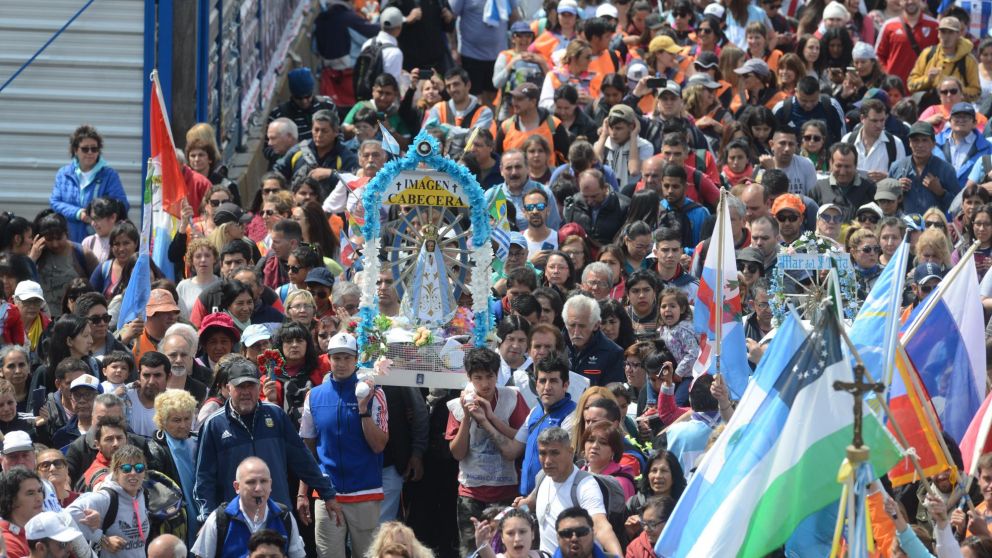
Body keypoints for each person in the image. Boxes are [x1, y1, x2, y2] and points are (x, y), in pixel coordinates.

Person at [194, 356, 339, 521]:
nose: (246, 392)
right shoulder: (214, 425)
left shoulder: (276, 415)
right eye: (240, 386)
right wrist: (208, 518)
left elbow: (303, 460)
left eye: (251, 385)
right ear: (228, 387)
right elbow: (204, 478)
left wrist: (327, 494)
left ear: (260, 386)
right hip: (235, 520)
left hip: (277, 514)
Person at [297, 332, 387, 558]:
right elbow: (307, 450)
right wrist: (302, 493)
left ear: (356, 359)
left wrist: (363, 409)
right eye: (337, 358)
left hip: (365, 492)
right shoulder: (314, 396)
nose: (342, 363)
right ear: (328, 359)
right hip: (328, 494)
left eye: (347, 358)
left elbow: (379, 445)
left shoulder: (375, 393)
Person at [445, 347, 530, 557]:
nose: (485, 384)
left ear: (497, 374)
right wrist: (466, 417)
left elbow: (522, 437)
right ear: (469, 378)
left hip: (506, 489)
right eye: (478, 378)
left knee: (505, 549)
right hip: (471, 492)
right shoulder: (457, 405)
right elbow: (457, 453)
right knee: (471, 551)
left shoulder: (512, 398)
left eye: (490, 376)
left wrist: (490, 418)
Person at [516, 428, 622, 556]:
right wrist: (518, 507)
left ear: (570, 453)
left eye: (555, 453)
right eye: (542, 453)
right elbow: (531, 502)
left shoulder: (586, 485)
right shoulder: (542, 476)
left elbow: (600, 526)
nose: (547, 461)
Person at [191, 457, 306, 558]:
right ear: (237, 487)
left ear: (270, 485)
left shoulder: (284, 516)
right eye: (251, 482)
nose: (258, 488)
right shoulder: (219, 519)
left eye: (263, 481)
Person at [67, 444, 149, 558]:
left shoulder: (142, 495)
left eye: (139, 468)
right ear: (115, 472)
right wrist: (101, 539)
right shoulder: (106, 497)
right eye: (126, 468)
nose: (134, 472)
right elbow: (68, 514)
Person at [50, 126, 128, 244]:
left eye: (94, 149)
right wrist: (78, 213)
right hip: (68, 242)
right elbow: (55, 202)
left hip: (100, 243)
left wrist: (98, 215)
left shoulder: (109, 175)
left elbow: (122, 205)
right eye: (85, 149)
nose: (90, 153)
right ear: (75, 150)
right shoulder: (63, 174)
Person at [147, 389, 199, 541]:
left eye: (187, 418)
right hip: (173, 522)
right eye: (176, 420)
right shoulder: (153, 450)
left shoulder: (198, 442)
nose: (183, 425)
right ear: (162, 421)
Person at [889, 122, 959, 214]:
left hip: (933, 226)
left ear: (933, 144)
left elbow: (958, 206)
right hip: (903, 225)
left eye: (925, 140)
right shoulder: (897, 167)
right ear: (909, 143)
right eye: (915, 140)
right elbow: (884, 201)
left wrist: (941, 192)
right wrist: (896, 191)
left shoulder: (946, 170)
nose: (920, 145)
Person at [908, 16, 980, 102]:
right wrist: (928, 79)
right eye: (943, 32)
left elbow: (976, 92)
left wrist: (955, 90)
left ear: (958, 34)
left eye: (950, 32)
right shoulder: (928, 54)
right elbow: (911, 85)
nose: (946, 37)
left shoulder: (968, 60)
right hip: (930, 108)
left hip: (956, 110)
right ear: (938, 34)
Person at [563, 294, 624, 387]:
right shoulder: (554, 345)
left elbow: (612, 394)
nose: (576, 332)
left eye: (582, 326)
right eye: (572, 325)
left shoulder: (613, 353)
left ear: (596, 325)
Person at [842, 98, 906, 181]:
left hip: (882, 193)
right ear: (862, 119)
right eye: (874, 121)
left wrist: (887, 177)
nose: (879, 125)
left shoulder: (896, 144)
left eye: (882, 120)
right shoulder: (847, 140)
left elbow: (902, 179)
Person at [563, 170, 630, 247]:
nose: (590, 201)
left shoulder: (623, 206)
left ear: (604, 188)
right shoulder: (575, 203)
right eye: (585, 196)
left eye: (594, 196)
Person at [1, 467, 46, 558]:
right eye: (30, 493)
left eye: (39, 491)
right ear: (12, 500)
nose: (39, 498)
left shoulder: (36, 530)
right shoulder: (7, 542)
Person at [472, 507, 543, 558]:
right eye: (510, 533)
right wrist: (482, 543)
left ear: (532, 534)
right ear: (502, 537)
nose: (517, 539)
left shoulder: (543, 556)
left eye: (522, 532)